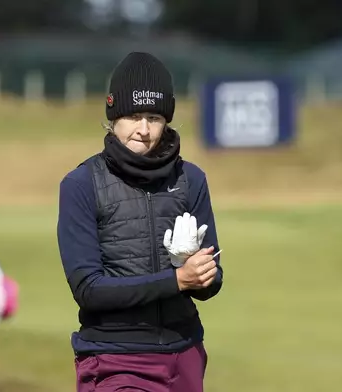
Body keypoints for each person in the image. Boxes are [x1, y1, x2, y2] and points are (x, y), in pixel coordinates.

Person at [57, 52, 223, 391]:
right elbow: (88, 290)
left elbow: (213, 281)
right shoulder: (80, 184)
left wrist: (199, 270)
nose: (144, 130)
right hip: (115, 358)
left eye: (154, 117)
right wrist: (177, 278)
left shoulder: (191, 179)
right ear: (113, 116)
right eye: (133, 116)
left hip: (184, 354)